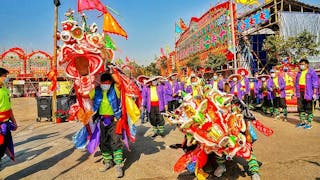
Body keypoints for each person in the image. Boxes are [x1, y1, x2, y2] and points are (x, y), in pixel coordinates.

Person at [89, 72, 124, 178]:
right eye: (104, 82)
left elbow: (119, 83)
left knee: (116, 141)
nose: (106, 84)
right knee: (103, 142)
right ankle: (108, 162)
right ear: (101, 82)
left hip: (114, 120)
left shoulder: (115, 89)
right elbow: (85, 95)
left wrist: (111, 70)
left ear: (111, 82)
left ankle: (118, 165)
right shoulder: (97, 90)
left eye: (108, 82)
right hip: (101, 120)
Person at [0, 68, 18, 164]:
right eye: (4, 76)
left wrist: (14, 121)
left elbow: (9, 107)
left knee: (4, 148)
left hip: (6, 123)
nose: (6, 78)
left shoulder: (5, 89)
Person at [295, 59, 318, 129]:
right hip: (300, 92)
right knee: (300, 108)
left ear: (307, 64)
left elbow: (315, 83)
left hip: (308, 92)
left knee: (308, 108)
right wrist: (295, 92)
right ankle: (302, 122)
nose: (301, 65)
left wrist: (314, 93)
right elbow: (296, 83)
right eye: (300, 64)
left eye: (303, 64)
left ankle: (309, 123)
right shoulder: (299, 73)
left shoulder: (311, 72)